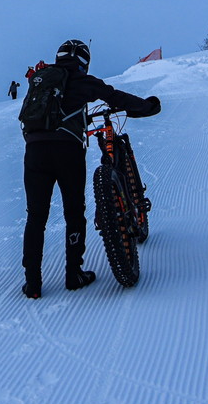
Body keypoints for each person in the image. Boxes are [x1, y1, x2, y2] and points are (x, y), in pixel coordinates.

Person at [20, 39, 160, 299]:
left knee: (36, 217)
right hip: (67, 152)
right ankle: (74, 274)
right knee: (74, 212)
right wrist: (148, 106)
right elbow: (116, 97)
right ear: (84, 62)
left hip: (35, 150)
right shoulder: (83, 81)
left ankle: (33, 284)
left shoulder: (41, 79)